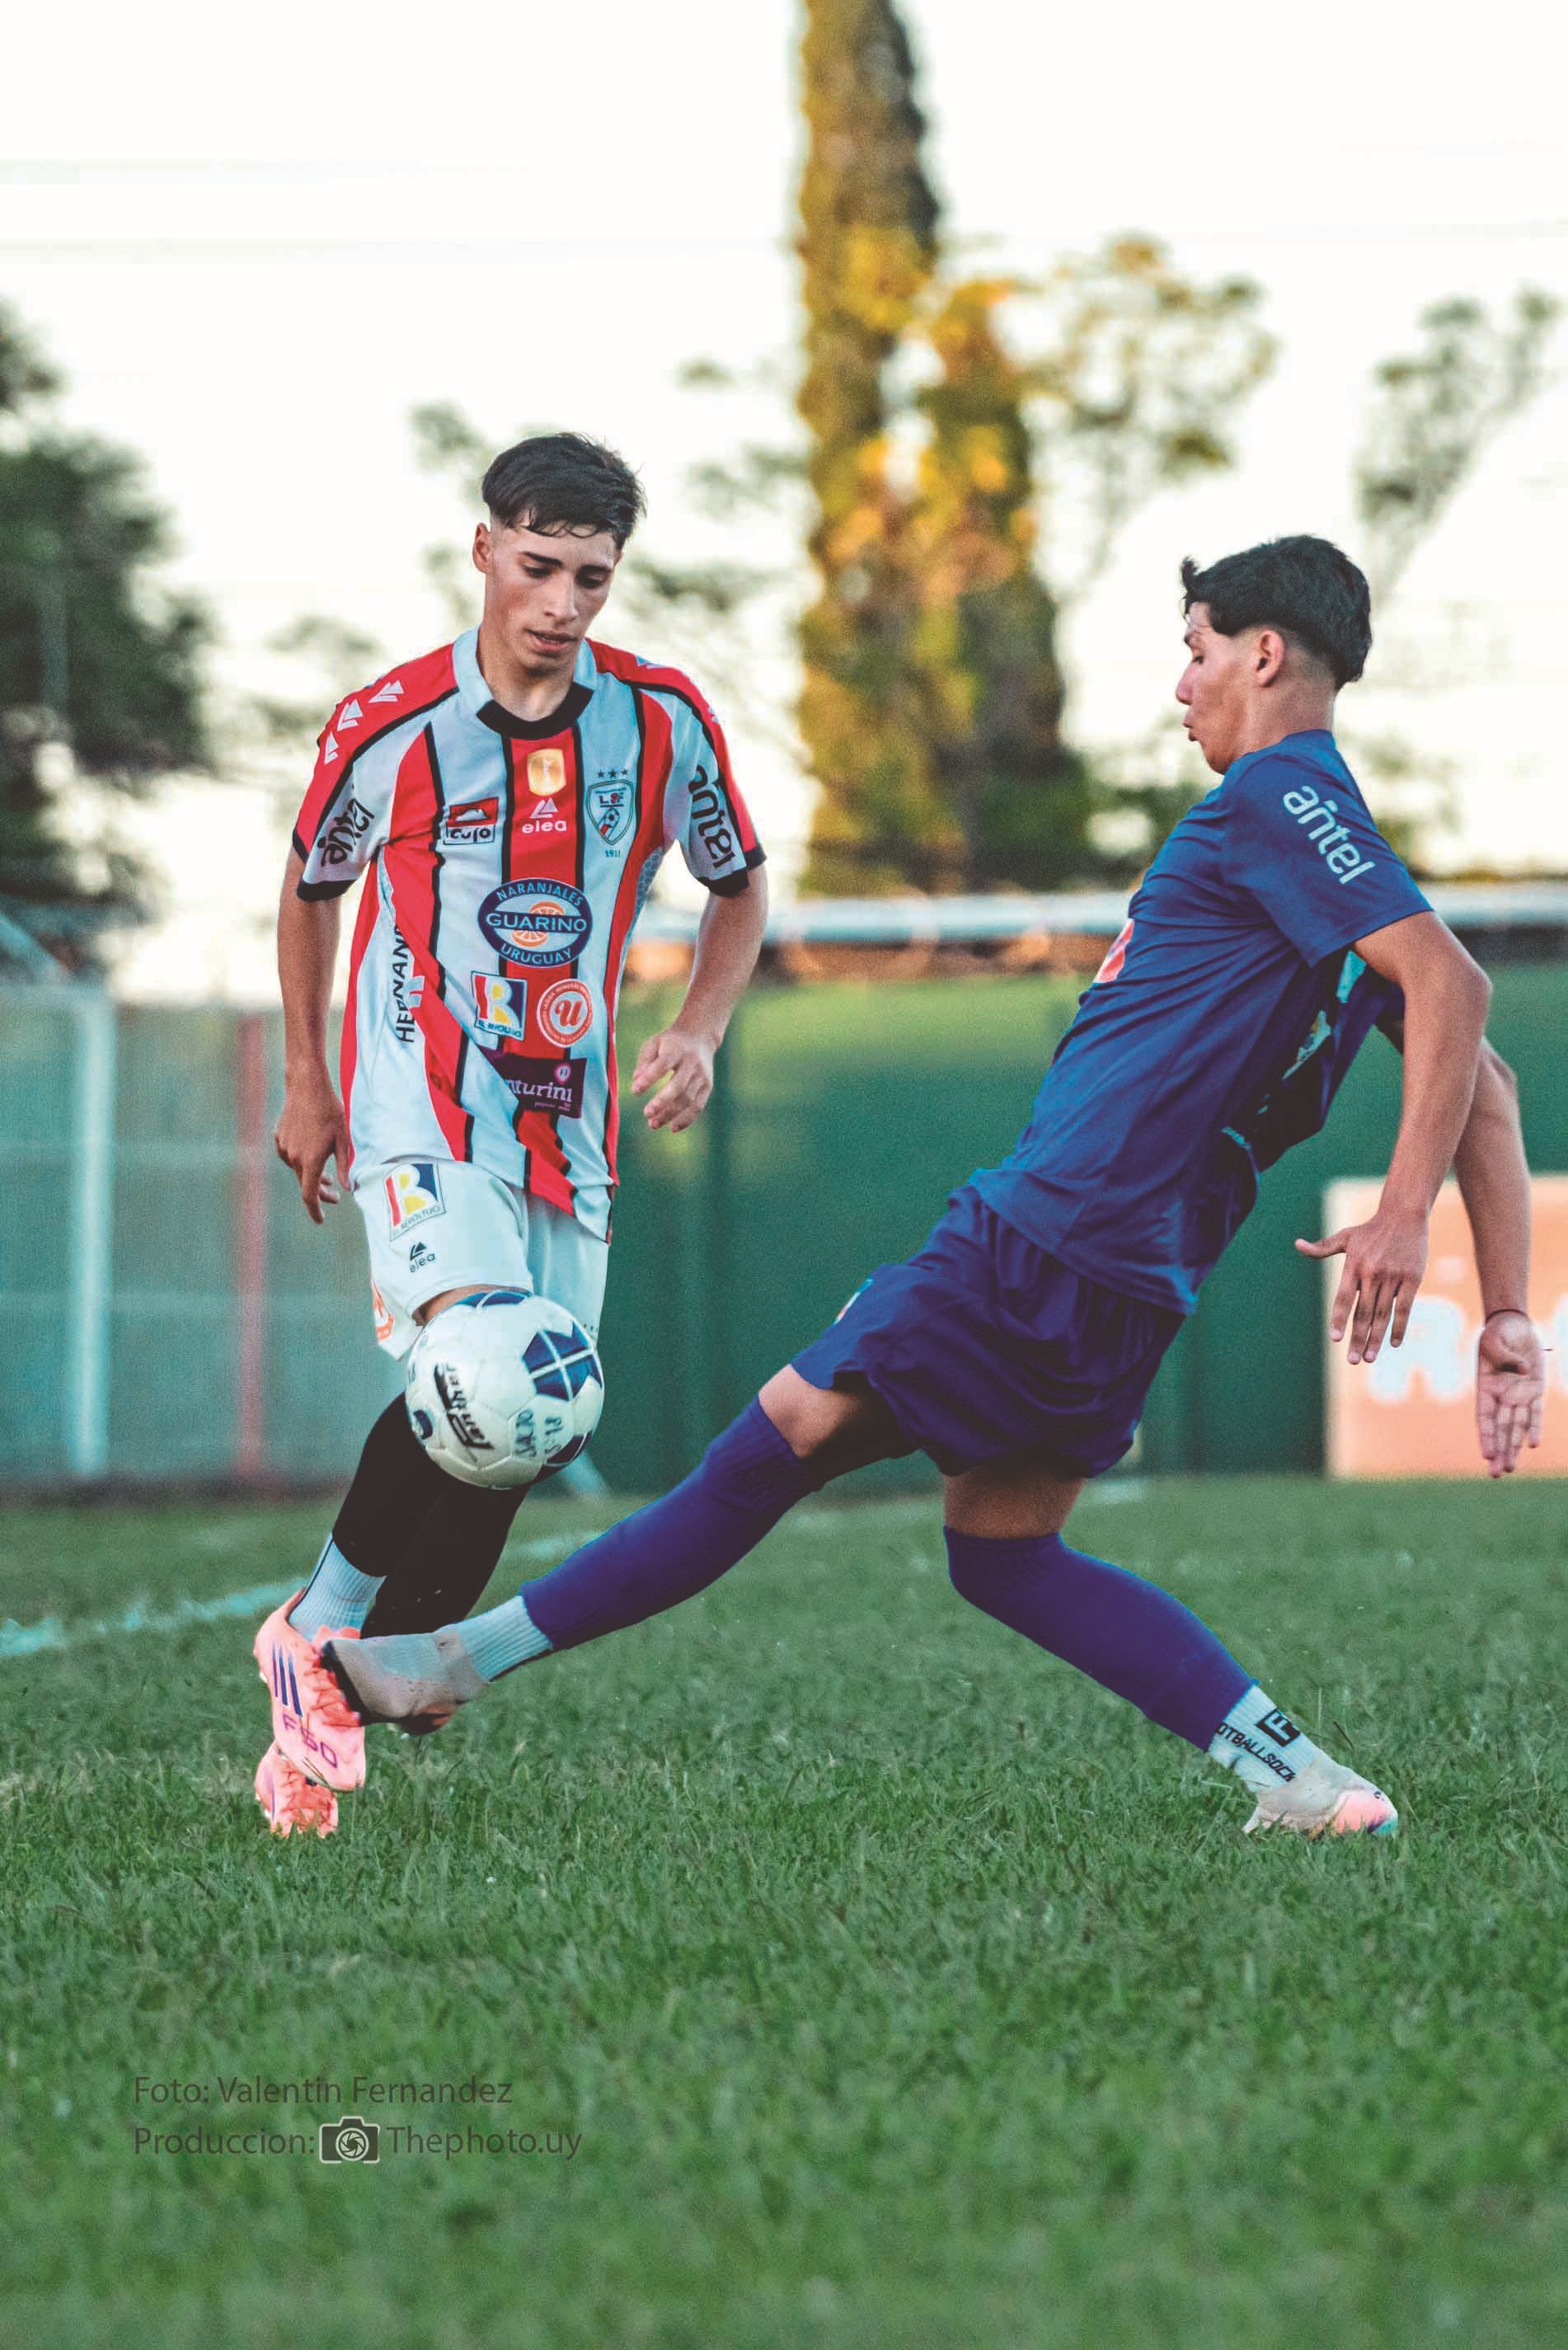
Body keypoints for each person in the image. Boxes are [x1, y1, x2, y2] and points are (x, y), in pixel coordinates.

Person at [295, 534, 1547, 1840]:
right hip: (1136, 1266)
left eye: (1194, 651)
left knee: (769, 1444)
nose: (1183, 687)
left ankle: (445, 1661)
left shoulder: (1281, 798)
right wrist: (1503, 1312)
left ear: (1264, 654)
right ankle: (1299, 1777)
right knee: (1003, 1552)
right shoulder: (1335, 857)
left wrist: (1406, 1216)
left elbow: (1456, 992)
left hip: (1049, 1229)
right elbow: (1491, 1088)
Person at [253, 432, 768, 1834]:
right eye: (537, 565)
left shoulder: (659, 721)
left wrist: (697, 1030)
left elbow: (738, 884)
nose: (561, 600)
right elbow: (312, 890)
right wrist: (309, 1078)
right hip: (419, 1092)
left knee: (534, 1420)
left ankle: (364, 1678)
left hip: (572, 1117)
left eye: (591, 577)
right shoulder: (392, 721)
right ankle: (314, 1626)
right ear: (483, 547)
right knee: (487, 1362)